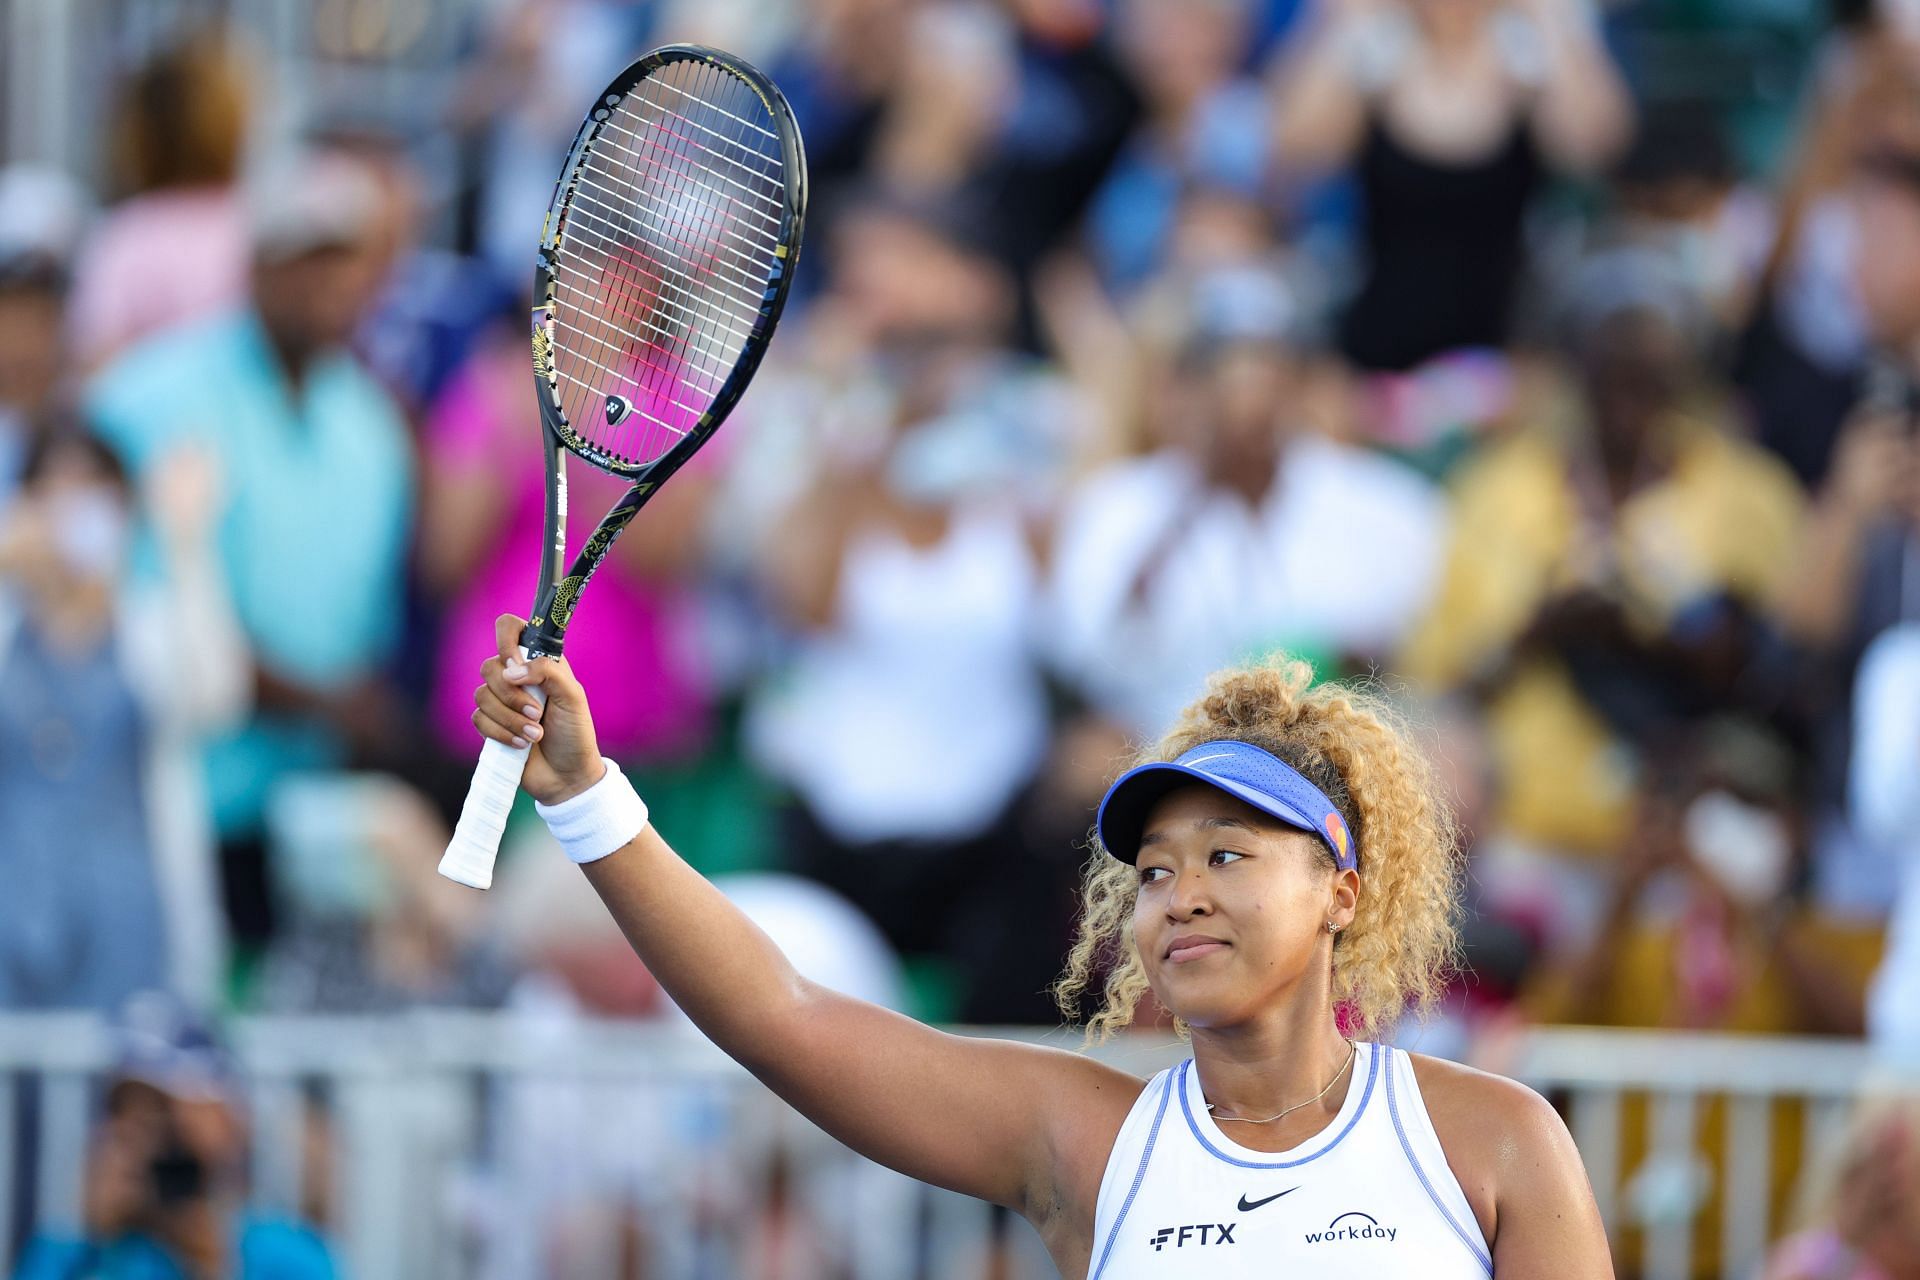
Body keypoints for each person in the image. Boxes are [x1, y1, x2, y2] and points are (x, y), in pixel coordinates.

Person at [467, 617, 1613, 1276]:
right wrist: (583, 794)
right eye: (1154, 871)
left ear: (1340, 892)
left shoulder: (1495, 1137)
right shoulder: (1084, 1139)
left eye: (1227, 856)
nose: (1180, 896)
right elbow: (784, 1016)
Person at [86, 149, 415, 958]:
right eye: (307, 258)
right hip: (162, 800)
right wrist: (323, 701)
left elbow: (360, 623)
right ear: (259, 264)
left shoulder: (373, 428)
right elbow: (133, 614)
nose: (330, 283)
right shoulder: (148, 395)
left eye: (346, 258)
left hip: (309, 807)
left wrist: (349, 710)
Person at [1272, 0, 1631, 370]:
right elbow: (1294, 151)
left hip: (1506, 358)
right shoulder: (1380, 53)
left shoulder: (1524, 55)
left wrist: (1553, 18)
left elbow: (1592, 151)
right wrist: (1344, 24)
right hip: (1376, 355)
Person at [11, 997, 337, 1280]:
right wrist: (84, 1237)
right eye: (126, 1115)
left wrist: (215, 1264)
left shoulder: (285, 1255)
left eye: (166, 1113)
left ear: (227, 1121)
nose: (149, 1140)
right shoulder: (77, 1252)